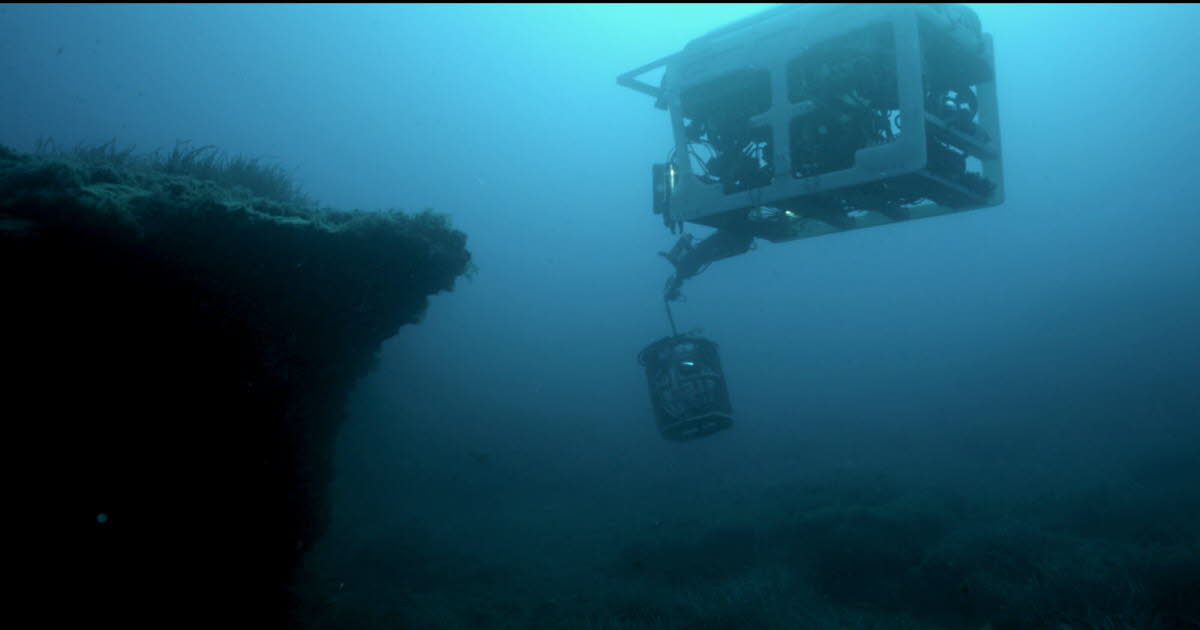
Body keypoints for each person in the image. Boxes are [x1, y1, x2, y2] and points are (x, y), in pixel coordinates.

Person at [659, 229, 755, 301]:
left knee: (726, 245)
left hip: (712, 249)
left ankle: (740, 240)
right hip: (712, 248)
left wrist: (669, 256)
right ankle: (740, 239)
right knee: (725, 244)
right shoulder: (682, 270)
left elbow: (687, 256)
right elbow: (686, 258)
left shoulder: (683, 271)